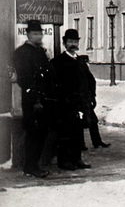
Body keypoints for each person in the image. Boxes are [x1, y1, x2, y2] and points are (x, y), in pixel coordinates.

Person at [12, 20, 54, 177]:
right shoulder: (21, 53)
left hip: (44, 100)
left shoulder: (41, 52)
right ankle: (30, 166)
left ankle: (33, 165)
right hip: (32, 100)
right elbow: (25, 79)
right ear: (28, 34)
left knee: (41, 133)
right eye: (35, 33)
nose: (38, 36)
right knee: (33, 133)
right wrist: (35, 100)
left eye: (40, 33)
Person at [51, 29, 91, 171]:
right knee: (65, 133)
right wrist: (64, 99)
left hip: (79, 103)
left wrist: (91, 97)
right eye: (70, 42)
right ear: (64, 43)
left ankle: (77, 159)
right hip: (65, 103)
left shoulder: (80, 61)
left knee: (78, 133)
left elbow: (89, 80)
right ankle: (64, 161)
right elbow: (55, 84)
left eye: (75, 41)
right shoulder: (58, 62)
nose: (73, 44)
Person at [77, 55, 110, 149]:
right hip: (80, 100)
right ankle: (82, 144)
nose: (88, 63)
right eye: (86, 61)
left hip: (86, 99)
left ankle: (96, 141)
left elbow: (91, 83)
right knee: (81, 121)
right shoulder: (81, 70)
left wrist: (92, 97)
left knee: (92, 120)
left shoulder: (85, 70)